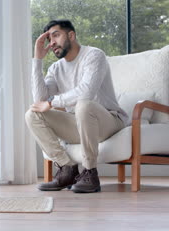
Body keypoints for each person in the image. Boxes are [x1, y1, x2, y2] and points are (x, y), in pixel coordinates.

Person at [25, 19, 128, 193]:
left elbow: (86, 92)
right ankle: (67, 169)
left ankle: (90, 172)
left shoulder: (94, 55)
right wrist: (37, 60)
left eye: (56, 35)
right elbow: (40, 99)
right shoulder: (56, 68)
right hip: (78, 123)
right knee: (32, 114)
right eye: (49, 39)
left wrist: (51, 103)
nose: (52, 43)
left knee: (84, 105)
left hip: (108, 122)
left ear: (71, 35)